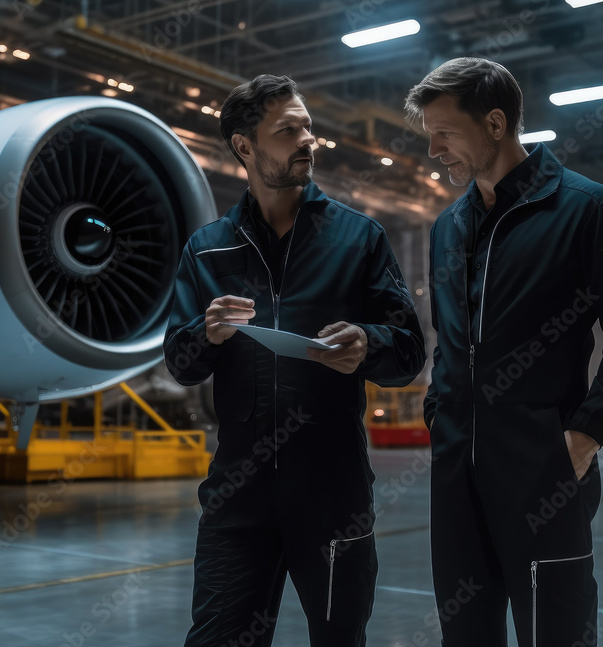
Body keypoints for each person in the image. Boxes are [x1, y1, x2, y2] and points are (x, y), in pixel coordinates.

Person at [406, 58, 603, 646]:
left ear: (495, 123)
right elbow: (450, 340)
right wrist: (440, 413)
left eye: (445, 133)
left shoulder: (584, 208)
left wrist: (585, 436)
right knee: (466, 634)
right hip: (455, 478)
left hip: (545, 474)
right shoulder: (449, 226)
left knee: (557, 631)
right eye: (429, 136)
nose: (434, 150)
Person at [164, 74, 426, 647]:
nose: (308, 140)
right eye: (288, 130)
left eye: (308, 126)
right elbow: (179, 364)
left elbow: (409, 353)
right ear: (245, 147)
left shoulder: (359, 239)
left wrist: (367, 344)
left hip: (335, 500)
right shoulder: (208, 249)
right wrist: (205, 332)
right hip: (238, 500)